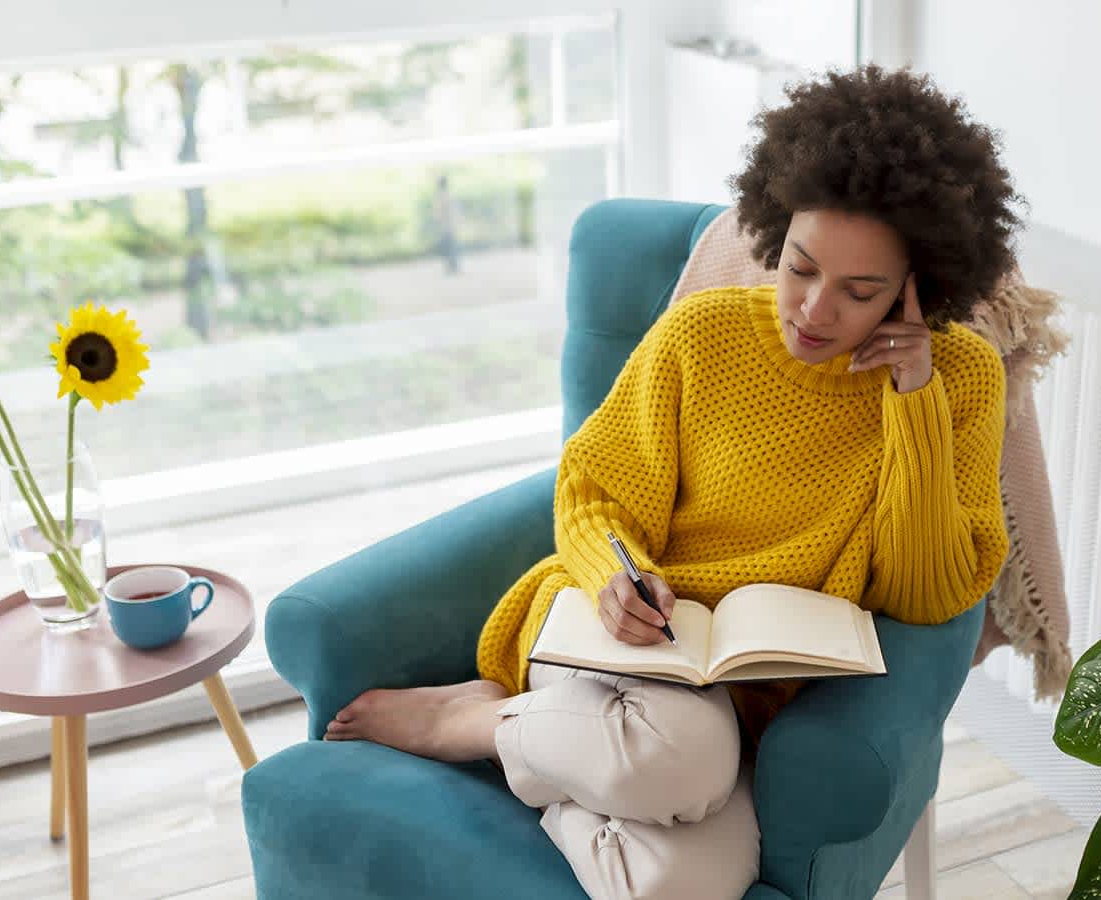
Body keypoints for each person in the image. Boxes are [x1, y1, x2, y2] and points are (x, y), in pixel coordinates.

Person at [322, 64, 1019, 900]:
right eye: (800, 268)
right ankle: (468, 722)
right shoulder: (702, 334)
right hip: (620, 642)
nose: (812, 309)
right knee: (681, 757)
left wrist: (913, 400)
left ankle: (550, 760)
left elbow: (926, 594)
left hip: (744, 697)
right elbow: (595, 490)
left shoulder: (959, 381)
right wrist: (614, 577)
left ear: (917, 290)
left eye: (858, 292)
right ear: (777, 231)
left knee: (676, 882)